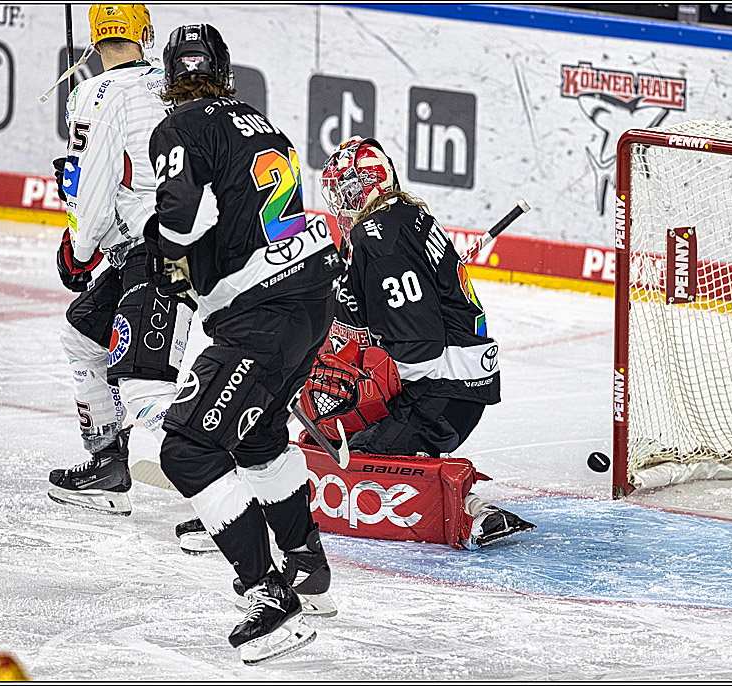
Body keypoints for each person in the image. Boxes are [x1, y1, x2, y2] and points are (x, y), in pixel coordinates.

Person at [146, 24, 342, 664]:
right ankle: (309, 567)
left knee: (189, 447)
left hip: (259, 311)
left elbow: (179, 222)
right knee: (257, 439)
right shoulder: (260, 123)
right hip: (306, 300)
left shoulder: (179, 127)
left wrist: (157, 244)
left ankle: (270, 591)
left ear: (171, 76)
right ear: (225, 71)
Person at [314, 136, 535, 548]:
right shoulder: (403, 216)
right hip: (458, 385)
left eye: (349, 191)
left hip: (441, 394)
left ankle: (468, 509)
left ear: (371, 184)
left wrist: (365, 389)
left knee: (344, 460)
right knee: (334, 436)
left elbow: (417, 349)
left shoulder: (378, 239)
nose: (342, 203)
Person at [47, 4, 196, 517]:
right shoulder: (172, 83)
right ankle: (108, 463)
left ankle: (221, 493)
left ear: (96, 36)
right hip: (186, 246)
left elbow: (92, 184)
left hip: (154, 251)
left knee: (143, 382)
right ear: (145, 33)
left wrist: (80, 247)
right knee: (83, 333)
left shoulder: (91, 95)